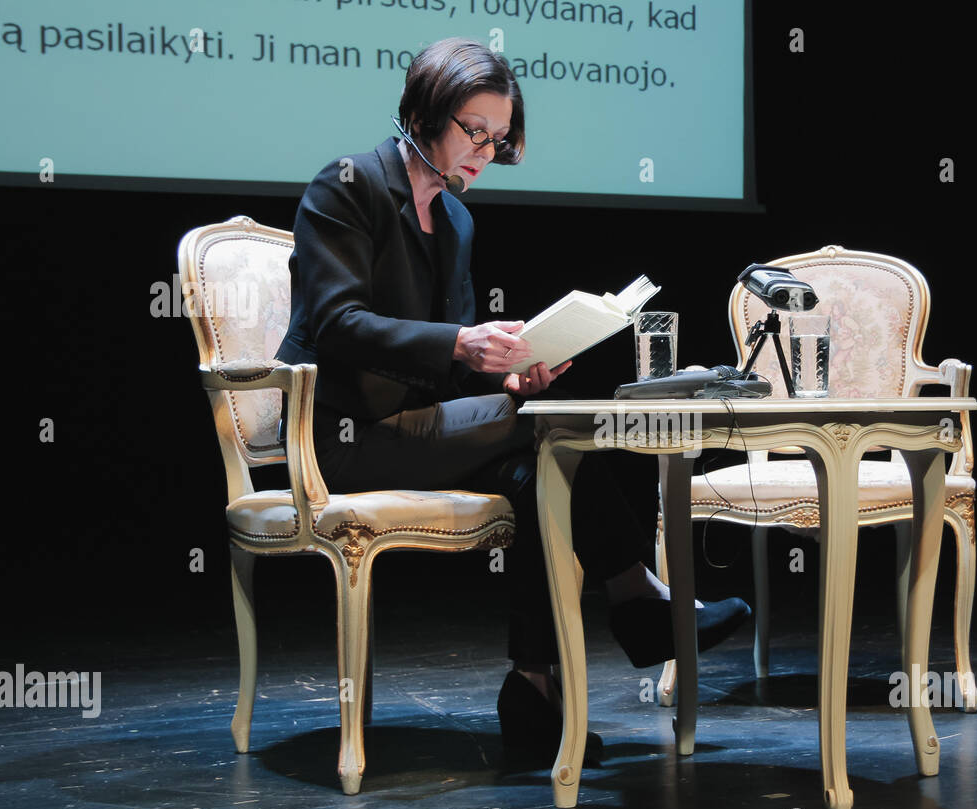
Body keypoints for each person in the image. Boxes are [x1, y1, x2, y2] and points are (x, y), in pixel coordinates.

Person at [275, 37, 749, 763]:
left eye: (499, 139)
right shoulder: (346, 188)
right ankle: (639, 600)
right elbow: (338, 324)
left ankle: (536, 689)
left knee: (541, 473)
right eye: (475, 131)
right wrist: (464, 345)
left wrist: (508, 377)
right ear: (426, 111)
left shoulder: (457, 220)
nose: (486, 152)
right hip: (340, 436)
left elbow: (447, 371)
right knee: (553, 433)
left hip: (415, 428)